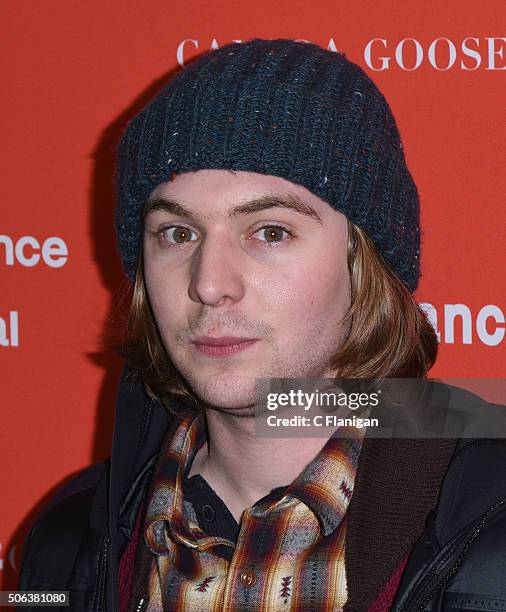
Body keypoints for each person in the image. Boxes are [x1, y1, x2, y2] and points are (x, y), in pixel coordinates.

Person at [19, 38, 506, 612]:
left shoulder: (491, 527)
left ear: (363, 262)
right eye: (178, 234)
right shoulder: (65, 542)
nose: (209, 282)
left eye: (269, 232)